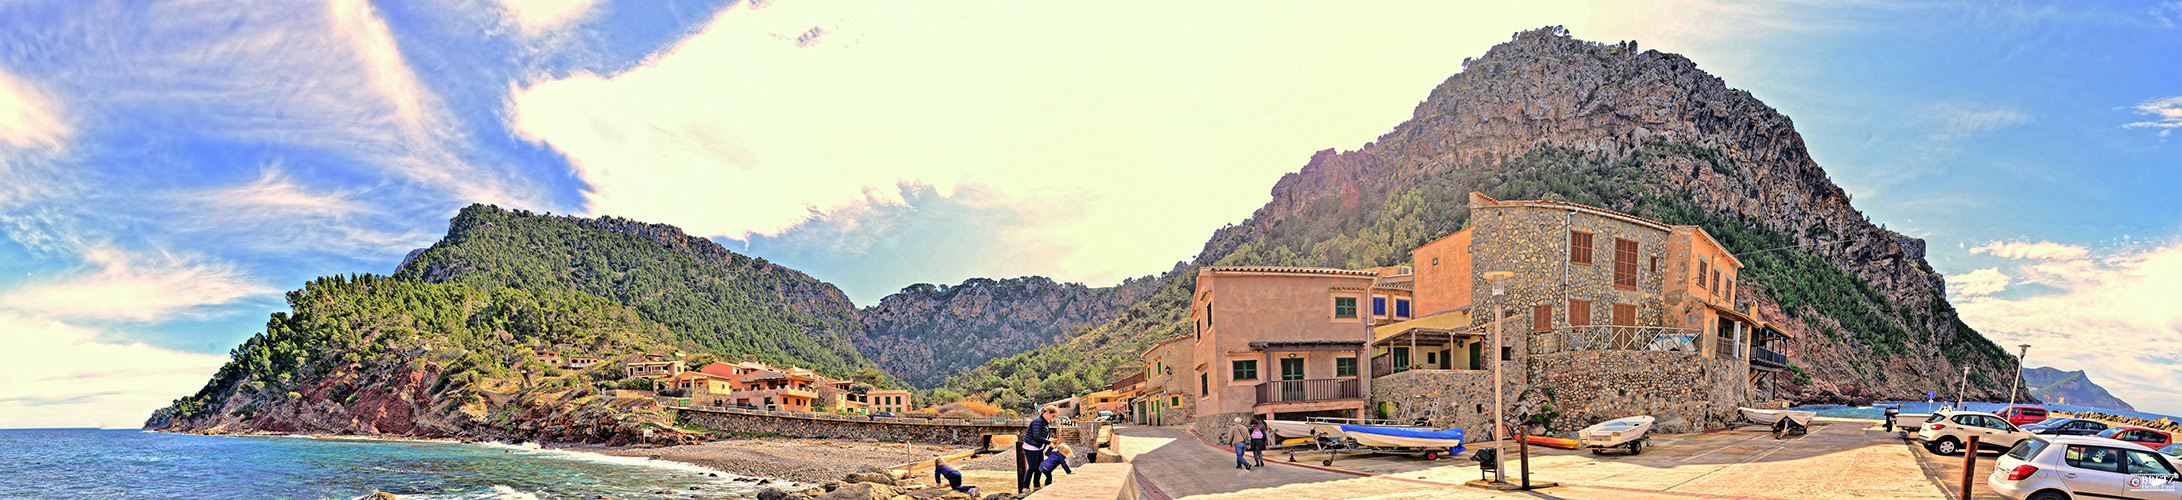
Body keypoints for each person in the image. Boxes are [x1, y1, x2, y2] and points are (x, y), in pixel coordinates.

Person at [1019, 406, 1057, 490]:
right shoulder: (1038, 421)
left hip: (1038, 447)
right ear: (1047, 413)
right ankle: (1026, 487)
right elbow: (1036, 436)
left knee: (1039, 467)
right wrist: (1048, 442)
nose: (1053, 418)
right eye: (1053, 416)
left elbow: (1042, 435)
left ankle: (1036, 485)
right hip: (1031, 447)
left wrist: (1049, 441)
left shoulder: (1043, 421)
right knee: (1032, 468)